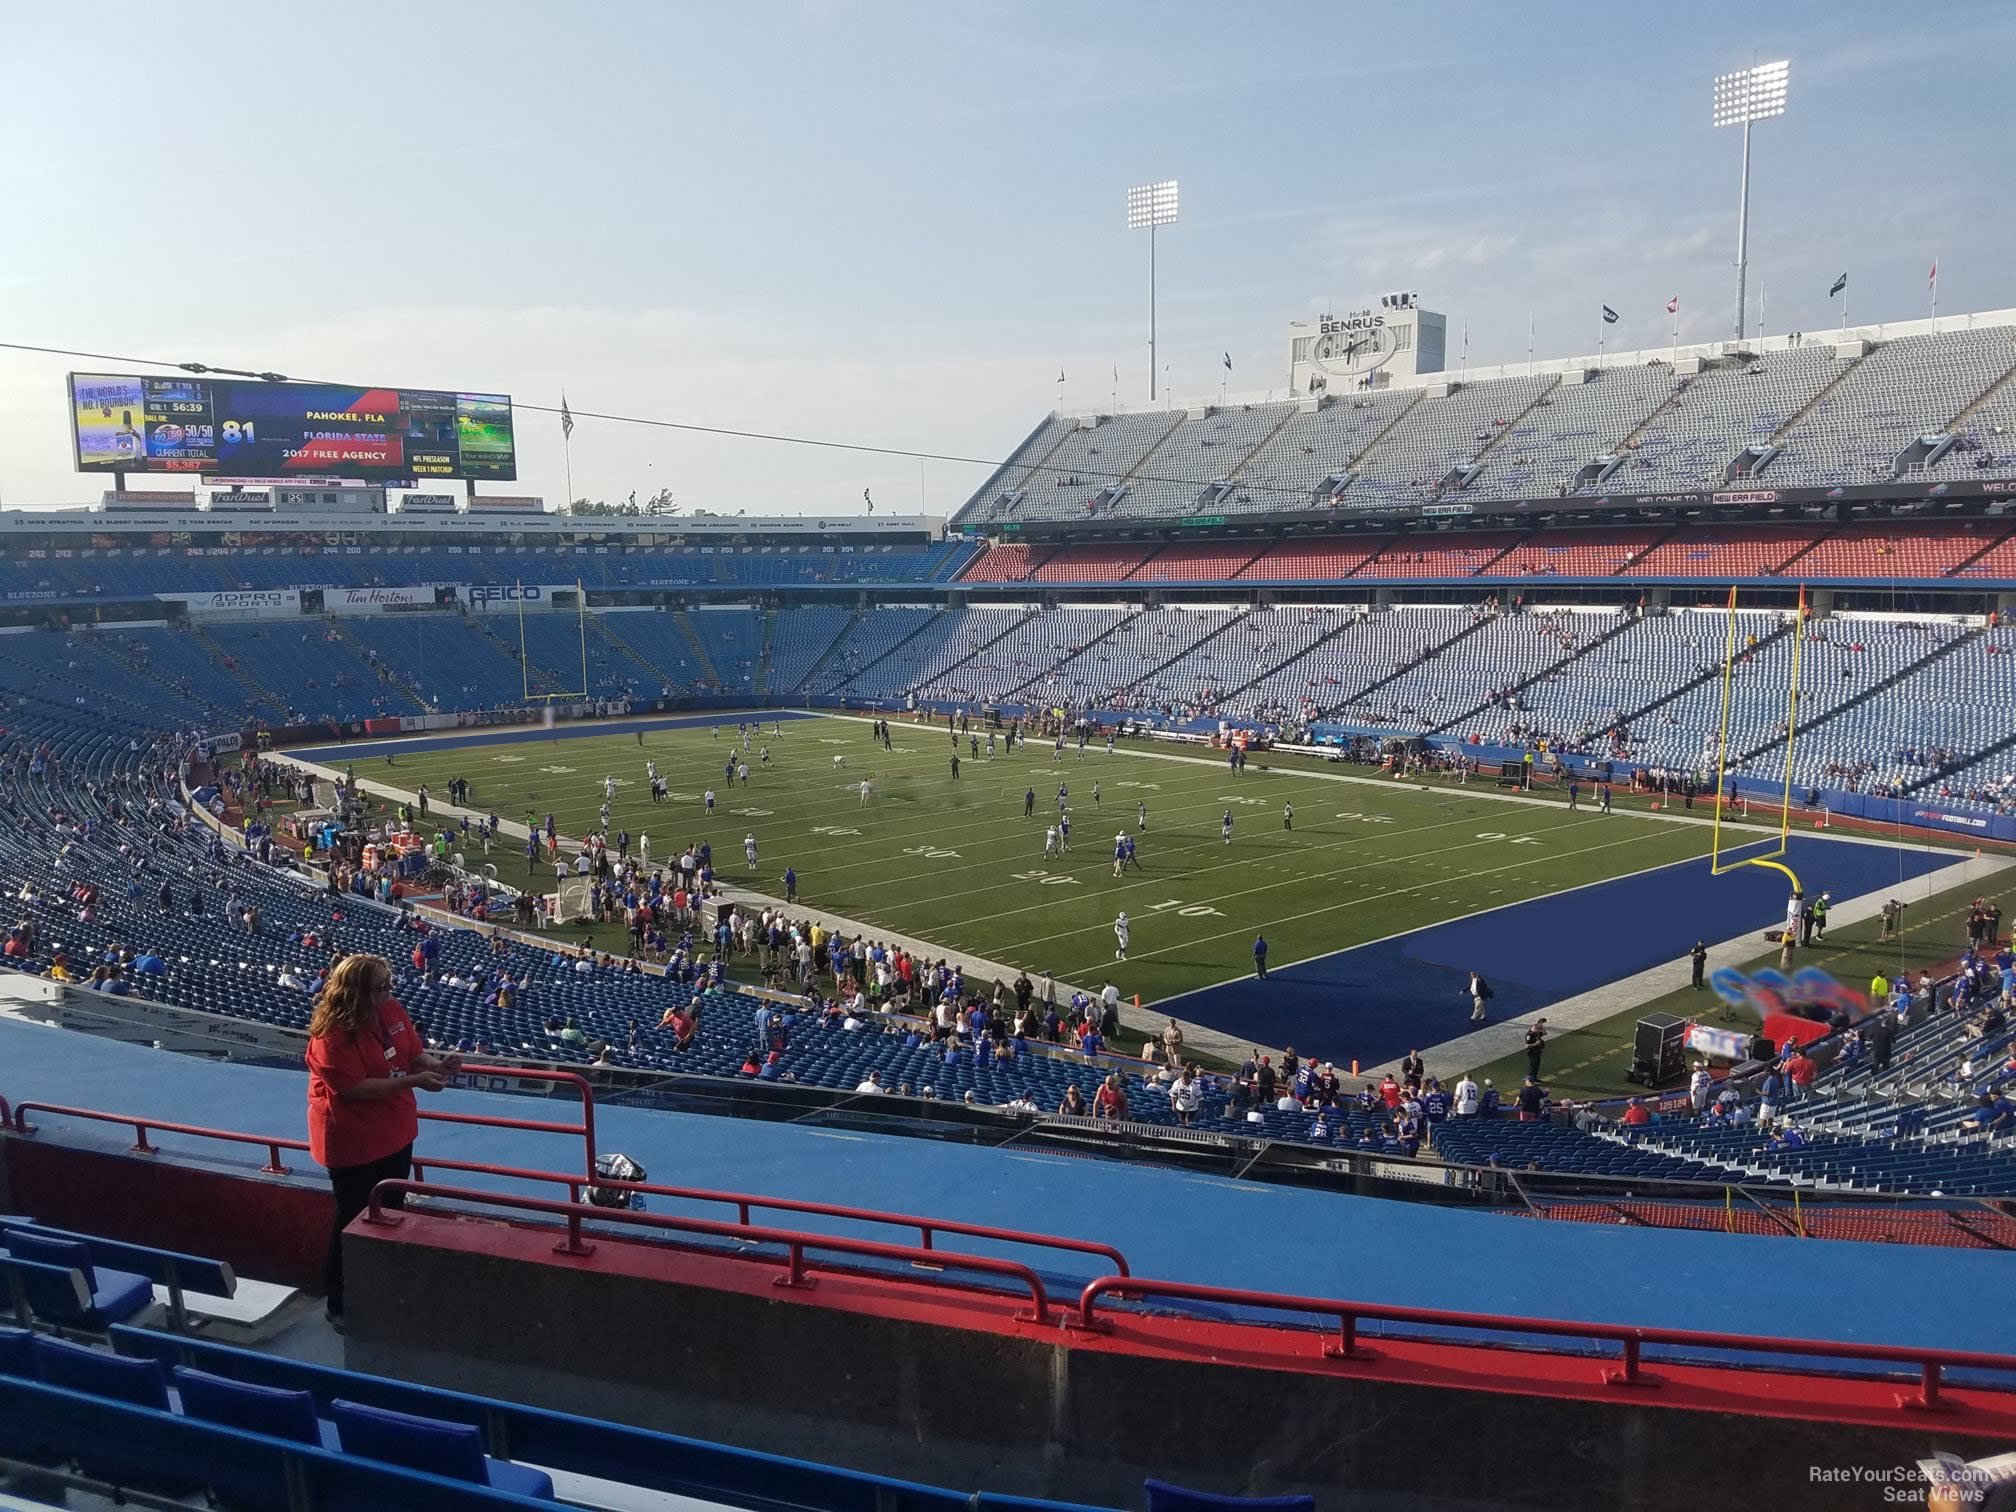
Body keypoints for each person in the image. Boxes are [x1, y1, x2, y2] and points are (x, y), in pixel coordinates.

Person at [305, 954, 460, 1330]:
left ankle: (384, 1286)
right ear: (356, 992)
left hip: (394, 1131)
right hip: (352, 1140)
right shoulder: (331, 1034)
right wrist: (413, 1081)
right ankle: (339, 1301)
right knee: (354, 1218)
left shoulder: (390, 1009)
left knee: (392, 1210)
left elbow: (410, 1052)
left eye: (389, 984)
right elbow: (354, 1089)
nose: (389, 992)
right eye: (380, 987)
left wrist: (433, 1065)